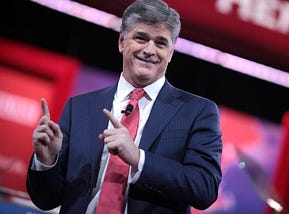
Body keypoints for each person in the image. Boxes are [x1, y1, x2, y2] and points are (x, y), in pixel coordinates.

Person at [26, 0, 223, 213]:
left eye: (160, 43)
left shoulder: (197, 112)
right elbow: (46, 200)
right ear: (121, 41)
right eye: (141, 38)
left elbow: (204, 187)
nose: (149, 50)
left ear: (171, 53)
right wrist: (46, 160)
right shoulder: (80, 108)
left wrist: (139, 159)